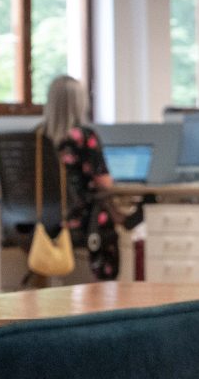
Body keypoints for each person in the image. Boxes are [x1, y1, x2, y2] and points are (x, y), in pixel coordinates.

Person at [41, 73, 138, 282]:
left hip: (42, 218)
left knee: (113, 213)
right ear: (79, 104)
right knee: (121, 217)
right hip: (80, 218)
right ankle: (115, 291)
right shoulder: (84, 137)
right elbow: (105, 183)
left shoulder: (38, 137)